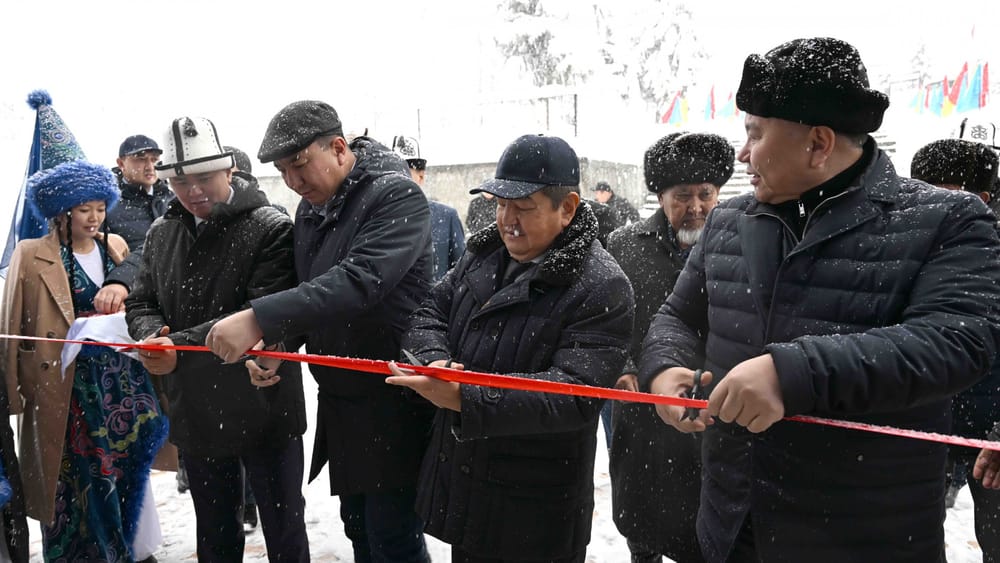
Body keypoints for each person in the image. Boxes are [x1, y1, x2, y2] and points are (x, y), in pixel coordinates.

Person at [640, 37, 1000, 563]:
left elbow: (955, 341)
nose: (741, 154)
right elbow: (679, 316)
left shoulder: (947, 220)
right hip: (734, 525)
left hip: (864, 535)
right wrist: (665, 367)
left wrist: (792, 374)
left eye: (755, 135)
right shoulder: (727, 222)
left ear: (818, 143)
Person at [386, 133, 634, 562]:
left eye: (523, 208)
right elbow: (429, 311)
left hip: (535, 506)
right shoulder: (483, 255)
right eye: (500, 204)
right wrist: (435, 361)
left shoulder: (601, 285)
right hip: (468, 485)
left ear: (568, 208)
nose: (506, 220)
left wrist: (468, 396)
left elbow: (573, 394)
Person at [204, 100, 435, 562]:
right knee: (361, 533)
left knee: (393, 537)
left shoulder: (397, 197)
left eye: (299, 165)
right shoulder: (314, 208)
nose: (292, 181)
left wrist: (257, 317)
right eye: (283, 171)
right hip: (341, 399)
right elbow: (309, 292)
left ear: (338, 147)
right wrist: (278, 344)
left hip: (392, 395)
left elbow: (358, 281)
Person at [125, 116, 309, 562]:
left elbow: (261, 314)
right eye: (180, 181)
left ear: (229, 171)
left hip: (263, 402)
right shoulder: (161, 233)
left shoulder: (270, 226)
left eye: (205, 177)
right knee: (214, 532)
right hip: (197, 408)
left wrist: (176, 349)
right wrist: (151, 336)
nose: (193, 191)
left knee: (284, 531)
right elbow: (141, 302)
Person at [3, 159, 168, 562]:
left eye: (99, 207)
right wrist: (12, 393)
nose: (94, 218)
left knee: (125, 468)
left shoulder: (115, 247)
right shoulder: (31, 254)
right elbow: (11, 325)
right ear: (62, 212)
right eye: (83, 209)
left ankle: (128, 546)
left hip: (121, 382)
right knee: (76, 475)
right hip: (66, 385)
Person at [607, 131, 733, 563]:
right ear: (660, 197)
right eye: (682, 196)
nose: (695, 207)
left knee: (706, 534)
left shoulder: (738, 246)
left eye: (706, 194)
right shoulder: (624, 246)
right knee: (642, 525)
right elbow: (606, 322)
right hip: (642, 419)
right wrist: (622, 365)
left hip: (709, 415)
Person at [911, 138, 1000, 560]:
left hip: (990, 437)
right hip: (921, 428)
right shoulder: (903, 253)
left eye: (942, 193)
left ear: (980, 199)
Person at [393, 135, 466, 281]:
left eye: (406, 172)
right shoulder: (379, 218)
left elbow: (461, 272)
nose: (398, 179)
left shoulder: (446, 217)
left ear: (421, 176)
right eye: (393, 173)